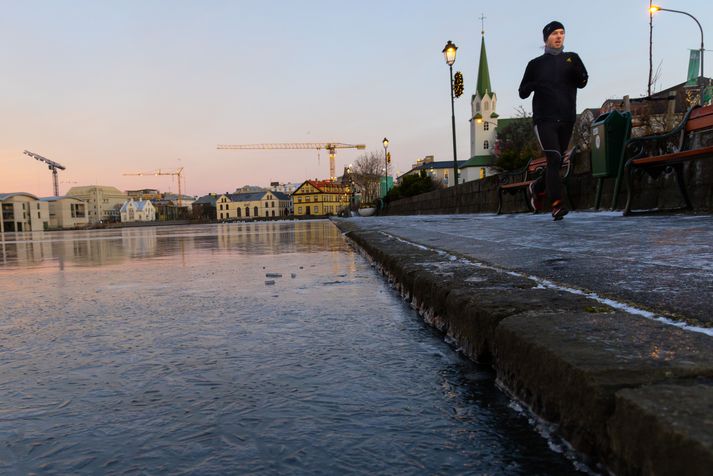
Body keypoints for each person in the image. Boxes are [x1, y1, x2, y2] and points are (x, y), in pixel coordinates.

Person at [519, 21, 588, 220]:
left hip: (567, 117)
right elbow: (522, 92)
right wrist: (534, 84)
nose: (559, 37)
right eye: (554, 34)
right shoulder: (535, 64)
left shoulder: (572, 58)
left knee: (555, 164)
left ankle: (536, 186)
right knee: (555, 158)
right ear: (546, 38)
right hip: (544, 119)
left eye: (562, 33)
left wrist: (578, 73)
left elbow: (583, 82)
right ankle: (556, 205)